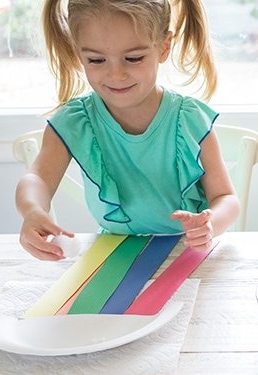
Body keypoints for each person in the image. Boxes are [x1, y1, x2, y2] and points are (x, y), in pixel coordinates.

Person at [16, 0, 239, 261]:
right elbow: (38, 178)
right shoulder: (76, 120)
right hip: (115, 254)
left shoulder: (189, 119)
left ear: (164, 47)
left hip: (190, 252)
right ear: (78, 54)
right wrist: (32, 210)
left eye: (133, 58)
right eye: (96, 60)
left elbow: (226, 198)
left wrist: (210, 224)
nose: (116, 74)